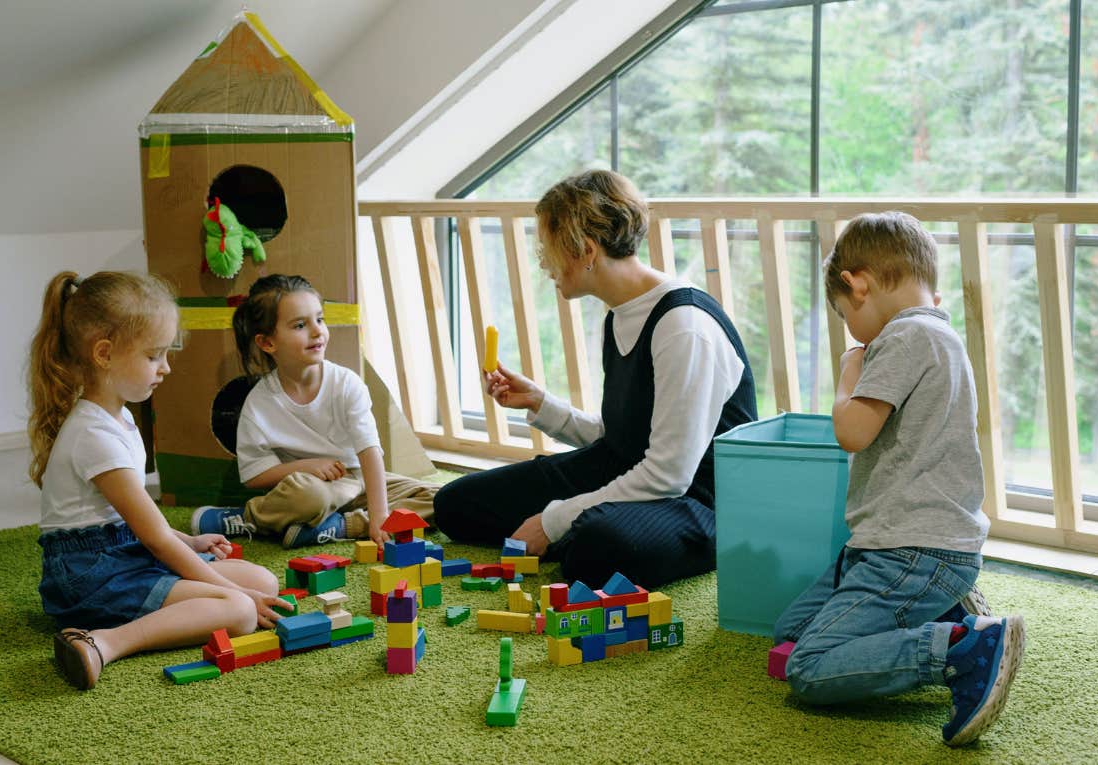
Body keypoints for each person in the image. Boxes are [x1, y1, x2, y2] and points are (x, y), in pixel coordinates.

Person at [432, 169, 758, 589]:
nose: (543, 263)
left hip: (699, 500)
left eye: (546, 249)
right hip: (634, 471)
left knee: (596, 547)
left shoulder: (683, 328)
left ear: (586, 251)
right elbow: (621, 440)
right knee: (454, 504)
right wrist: (541, 405)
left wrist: (553, 520)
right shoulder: (619, 313)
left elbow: (668, 475)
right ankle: (574, 532)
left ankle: (576, 537)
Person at [772, 212, 1024, 746]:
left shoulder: (903, 337)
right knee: (790, 637)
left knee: (808, 665)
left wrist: (848, 375)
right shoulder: (935, 330)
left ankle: (960, 647)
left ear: (856, 284)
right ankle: (949, 607)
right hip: (896, 545)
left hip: (911, 551)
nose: (850, 330)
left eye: (844, 314)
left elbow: (853, 432)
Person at [27, 270, 286, 691]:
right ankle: (102, 642)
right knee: (239, 609)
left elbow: (144, 526)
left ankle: (205, 602)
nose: (165, 368)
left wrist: (194, 543)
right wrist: (226, 591)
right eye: (154, 356)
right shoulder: (94, 435)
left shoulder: (120, 416)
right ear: (104, 354)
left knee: (262, 582)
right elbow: (155, 541)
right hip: (90, 575)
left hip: (119, 552)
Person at [191, 274, 439, 549]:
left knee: (441, 498)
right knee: (309, 497)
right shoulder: (260, 403)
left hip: (355, 479)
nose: (317, 331)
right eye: (300, 325)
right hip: (307, 489)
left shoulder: (346, 383)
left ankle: (342, 525)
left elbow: (369, 450)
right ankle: (248, 517)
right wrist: (305, 466)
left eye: (319, 319)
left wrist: (379, 513)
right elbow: (253, 476)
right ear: (267, 343)